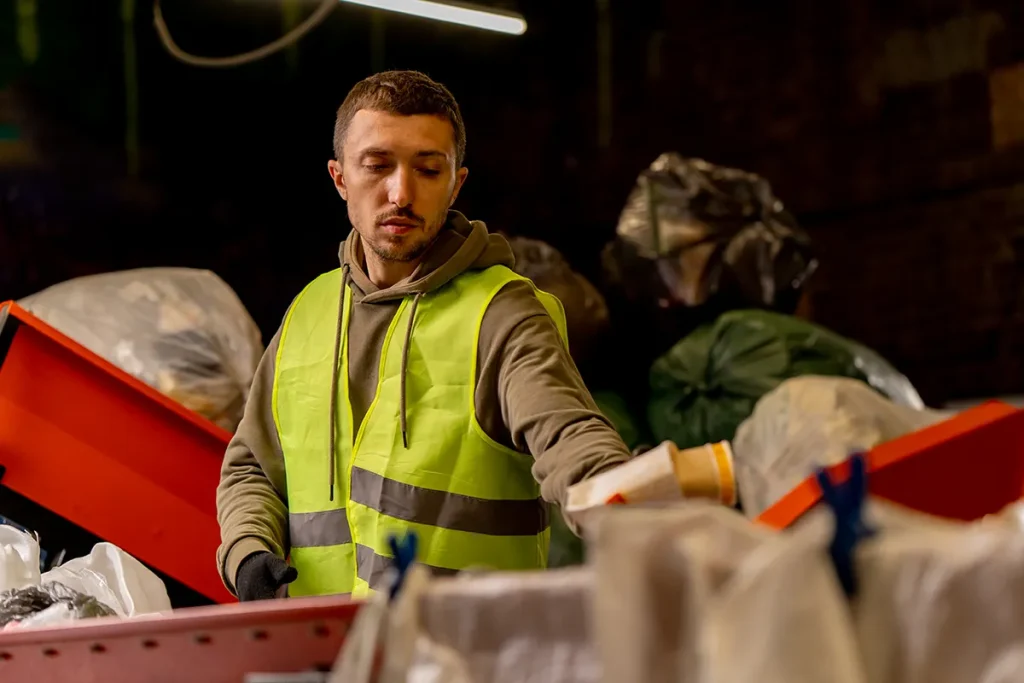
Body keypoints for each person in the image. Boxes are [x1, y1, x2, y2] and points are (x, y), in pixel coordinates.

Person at [216, 70, 632, 601]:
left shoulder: (502, 315)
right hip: (329, 643)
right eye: (377, 165)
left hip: (467, 645)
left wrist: (635, 513)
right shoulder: (307, 312)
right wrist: (247, 552)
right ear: (339, 177)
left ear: (456, 183)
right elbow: (253, 466)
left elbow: (570, 437)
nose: (401, 193)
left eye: (428, 169)